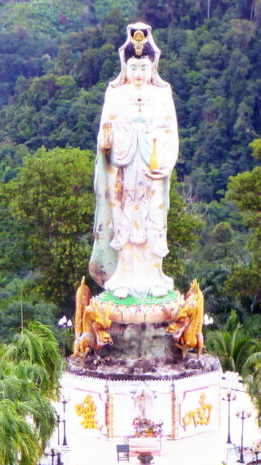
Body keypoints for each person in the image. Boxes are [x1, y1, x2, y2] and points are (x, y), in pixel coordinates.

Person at [89, 23, 178, 299]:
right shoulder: (115, 93)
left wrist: (165, 162)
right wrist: (105, 145)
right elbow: (105, 131)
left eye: (143, 67)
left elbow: (170, 132)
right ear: (125, 67)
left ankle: (154, 275)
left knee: (153, 217)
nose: (139, 73)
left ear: (152, 67)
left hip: (152, 165)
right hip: (123, 166)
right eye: (134, 67)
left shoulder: (162, 93)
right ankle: (124, 273)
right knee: (124, 219)